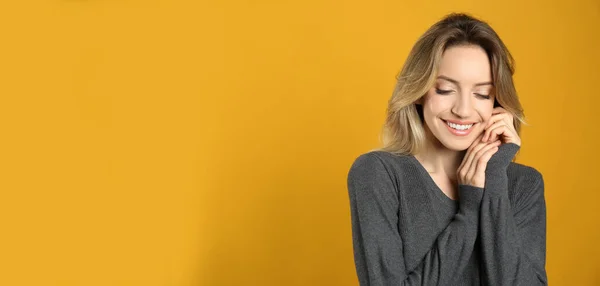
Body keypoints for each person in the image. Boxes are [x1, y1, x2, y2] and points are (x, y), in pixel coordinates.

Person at [347, 13, 547, 285]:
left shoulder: (524, 185)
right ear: (419, 91)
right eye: (444, 90)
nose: (463, 110)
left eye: (482, 94)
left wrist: (494, 182)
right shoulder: (379, 174)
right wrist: (470, 209)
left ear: (498, 104)